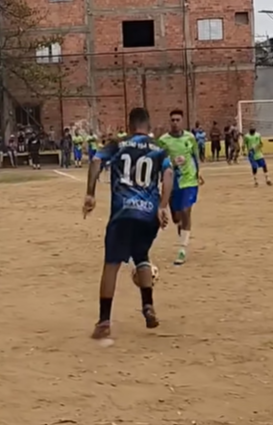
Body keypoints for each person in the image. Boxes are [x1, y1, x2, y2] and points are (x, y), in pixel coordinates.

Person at [83, 107, 173, 340]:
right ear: (148, 125)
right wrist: (163, 206)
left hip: (122, 213)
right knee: (141, 255)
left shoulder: (118, 144)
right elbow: (169, 175)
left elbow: (96, 160)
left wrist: (90, 193)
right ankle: (148, 306)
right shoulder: (159, 148)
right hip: (149, 214)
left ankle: (104, 321)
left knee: (111, 264)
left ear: (130, 125)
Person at [159, 109, 203, 265]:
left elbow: (195, 155)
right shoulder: (163, 141)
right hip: (173, 182)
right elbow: (160, 160)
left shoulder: (190, 137)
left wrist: (198, 173)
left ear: (182, 121)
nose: (175, 123)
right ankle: (181, 227)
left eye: (178, 120)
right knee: (176, 216)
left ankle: (182, 250)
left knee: (186, 211)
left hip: (189, 180)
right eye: (173, 120)